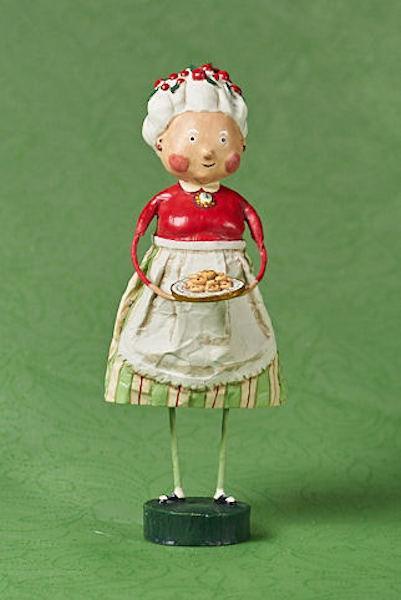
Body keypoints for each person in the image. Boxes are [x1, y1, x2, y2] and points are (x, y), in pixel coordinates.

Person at [105, 63, 286, 505]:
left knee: (231, 370)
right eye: (191, 139)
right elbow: (137, 241)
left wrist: (256, 267)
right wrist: (150, 280)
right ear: (161, 143)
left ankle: (221, 485)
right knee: (168, 372)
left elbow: (259, 240)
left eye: (222, 141)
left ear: (241, 145)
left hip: (229, 286)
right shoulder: (165, 201)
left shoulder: (235, 203)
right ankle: (177, 484)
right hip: (169, 285)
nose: (207, 152)